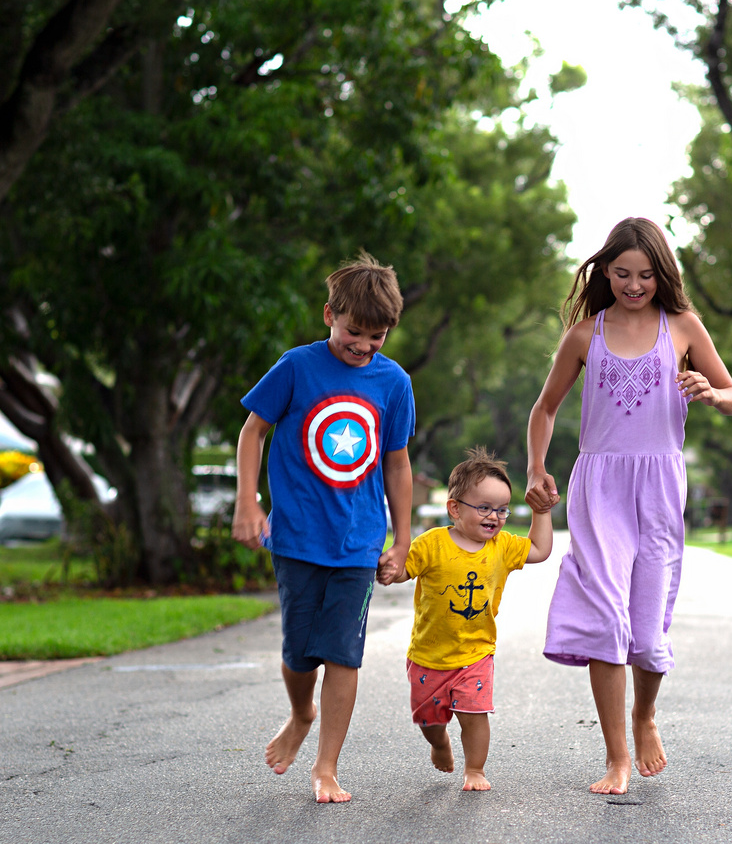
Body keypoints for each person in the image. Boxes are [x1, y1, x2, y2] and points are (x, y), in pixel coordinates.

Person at [524, 218, 732, 795]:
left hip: (661, 486)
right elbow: (544, 410)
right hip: (599, 486)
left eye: (646, 274)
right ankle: (616, 756)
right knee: (606, 617)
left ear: (661, 274)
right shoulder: (584, 336)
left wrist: (711, 392)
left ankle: (645, 716)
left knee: (647, 629)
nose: (634, 284)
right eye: (622, 273)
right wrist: (536, 468)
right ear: (605, 272)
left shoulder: (684, 327)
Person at [234, 252, 415, 804]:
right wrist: (248, 501)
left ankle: (327, 766)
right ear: (329, 315)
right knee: (298, 653)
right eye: (354, 332)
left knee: (343, 652)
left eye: (376, 337)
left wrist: (402, 540)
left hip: (359, 542)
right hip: (295, 537)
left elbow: (397, 463)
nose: (363, 346)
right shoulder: (296, 366)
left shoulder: (393, 382)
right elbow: (252, 432)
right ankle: (300, 713)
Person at [380, 447, 554, 791]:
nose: (495, 516)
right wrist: (390, 569)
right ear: (455, 508)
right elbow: (404, 570)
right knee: (428, 720)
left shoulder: (502, 546)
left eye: (502, 509)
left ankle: (475, 769)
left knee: (475, 715)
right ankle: (439, 743)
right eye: (485, 507)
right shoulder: (432, 544)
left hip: (476, 653)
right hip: (428, 656)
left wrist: (542, 511)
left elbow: (540, 550)